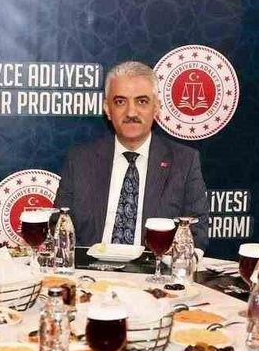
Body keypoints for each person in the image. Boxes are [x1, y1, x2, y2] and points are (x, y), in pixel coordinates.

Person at [55, 61, 210, 249]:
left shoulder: (184, 161)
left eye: (142, 101)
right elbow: (59, 226)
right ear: (107, 109)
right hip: (90, 266)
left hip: (155, 266)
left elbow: (196, 231)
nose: (131, 112)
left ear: (156, 107)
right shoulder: (80, 159)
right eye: (120, 102)